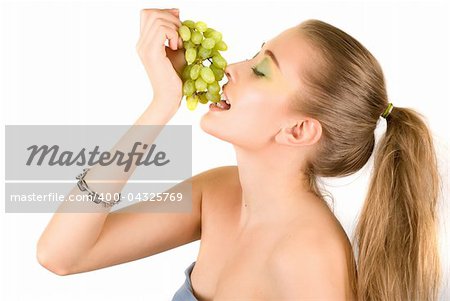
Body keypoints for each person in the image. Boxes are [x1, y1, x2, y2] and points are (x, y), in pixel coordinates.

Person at [36, 8, 443, 301]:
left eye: (262, 70)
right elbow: (62, 254)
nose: (231, 67)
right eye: (253, 54)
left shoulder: (309, 257)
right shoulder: (220, 192)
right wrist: (161, 104)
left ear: (298, 130)